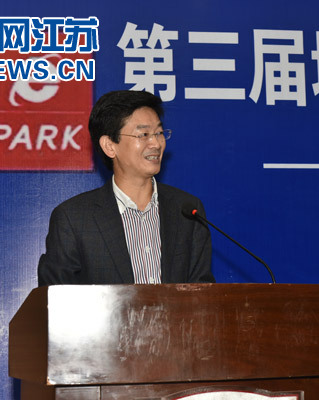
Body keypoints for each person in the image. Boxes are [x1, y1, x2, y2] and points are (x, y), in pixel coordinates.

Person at [37, 90, 214, 286]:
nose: (156, 143)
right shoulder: (74, 219)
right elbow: (55, 297)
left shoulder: (187, 211)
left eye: (159, 133)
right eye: (143, 134)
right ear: (109, 146)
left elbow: (203, 294)